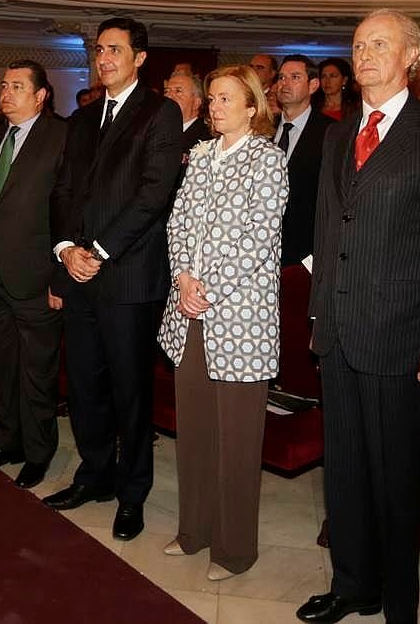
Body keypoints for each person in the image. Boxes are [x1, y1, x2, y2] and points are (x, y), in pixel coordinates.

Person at [298, 9, 420, 624]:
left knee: (396, 477)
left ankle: (400, 603)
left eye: (380, 44)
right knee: (344, 470)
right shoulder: (338, 132)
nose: (365, 53)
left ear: (413, 58)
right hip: (340, 329)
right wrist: (320, 313)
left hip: (401, 335)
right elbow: (328, 226)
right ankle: (354, 584)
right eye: (357, 45)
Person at [44, 17, 183, 541]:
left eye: (115, 50)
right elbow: (61, 193)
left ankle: (132, 493)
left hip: (127, 276)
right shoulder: (81, 120)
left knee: (130, 392)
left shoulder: (160, 113)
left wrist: (97, 250)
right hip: (78, 274)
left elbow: (153, 194)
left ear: (139, 58)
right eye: (99, 50)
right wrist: (65, 250)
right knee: (84, 387)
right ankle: (94, 475)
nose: (104, 59)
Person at [159, 65, 286, 581]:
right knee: (194, 433)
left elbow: (258, 240)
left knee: (236, 441)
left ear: (252, 107)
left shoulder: (268, 161)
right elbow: (178, 222)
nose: (214, 106)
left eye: (226, 98)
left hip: (240, 320)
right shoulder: (201, 156)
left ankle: (234, 550)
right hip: (188, 314)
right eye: (211, 98)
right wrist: (184, 280)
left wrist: (206, 290)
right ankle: (194, 531)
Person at [0, 61, 68, 490]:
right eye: (3, 85)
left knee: (37, 372)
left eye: (18, 86)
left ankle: (39, 452)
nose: (6, 92)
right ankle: (6, 440)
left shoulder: (61, 137)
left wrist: (59, 278)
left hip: (37, 274)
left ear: (41, 95)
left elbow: (68, 209)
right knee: (2, 367)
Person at [273, 56, 333, 267]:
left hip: (307, 249)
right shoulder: (262, 129)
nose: (284, 83)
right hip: (261, 249)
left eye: (295, 77)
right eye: (281, 77)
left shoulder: (330, 133)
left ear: (313, 85)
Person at [163, 71, 209, 151]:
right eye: (166, 91)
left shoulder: (207, 138)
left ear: (196, 103)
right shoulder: (155, 130)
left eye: (178, 91)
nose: (168, 96)